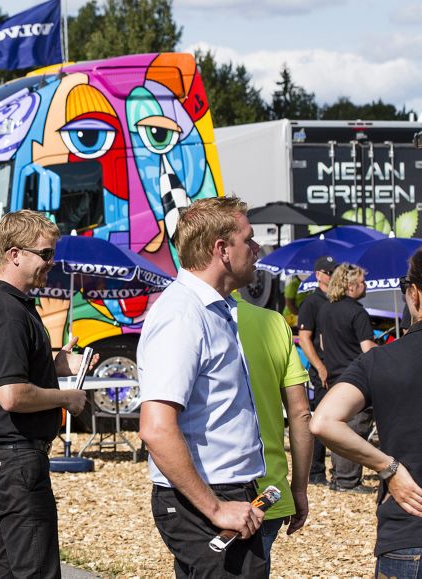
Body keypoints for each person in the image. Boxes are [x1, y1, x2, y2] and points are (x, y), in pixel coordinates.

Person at [137, 196, 268, 577]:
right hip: (206, 500)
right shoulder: (182, 314)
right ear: (221, 250)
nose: (257, 248)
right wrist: (214, 508)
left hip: (228, 493)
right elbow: (156, 428)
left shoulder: (216, 309)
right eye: (249, 239)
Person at [0, 211, 93, 578]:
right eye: (46, 254)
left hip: (1, 459)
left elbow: (6, 370)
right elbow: (12, 395)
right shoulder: (7, 311)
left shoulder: (1, 305)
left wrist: (56, 364)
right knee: (34, 572)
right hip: (13, 457)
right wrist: (66, 398)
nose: (52, 263)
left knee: (10, 571)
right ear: (15, 254)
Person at [310, 250, 422, 578]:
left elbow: (323, 421)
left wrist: (388, 468)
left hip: (409, 529)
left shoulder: (382, 361)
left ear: (413, 293)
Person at [235, 294, 312, 571]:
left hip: (201, 488)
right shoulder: (272, 321)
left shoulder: (182, 315)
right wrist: (299, 488)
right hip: (267, 489)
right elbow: (301, 412)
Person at [318, 263, 377, 493]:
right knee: (355, 430)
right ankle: (347, 481)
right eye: (362, 281)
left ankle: (338, 477)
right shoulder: (358, 312)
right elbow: (367, 350)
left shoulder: (326, 309)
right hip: (356, 378)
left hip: (334, 376)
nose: (365, 286)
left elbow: (323, 344)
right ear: (351, 285)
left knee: (338, 429)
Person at [297, 255, 337, 485]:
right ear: (319, 275)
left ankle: (334, 471)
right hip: (321, 369)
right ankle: (315, 471)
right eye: (329, 273)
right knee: (319, 418)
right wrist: (320, 367)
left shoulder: (335, 300)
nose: (332, 277)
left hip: (335, 366)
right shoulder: (312, 303)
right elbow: (304, 338)